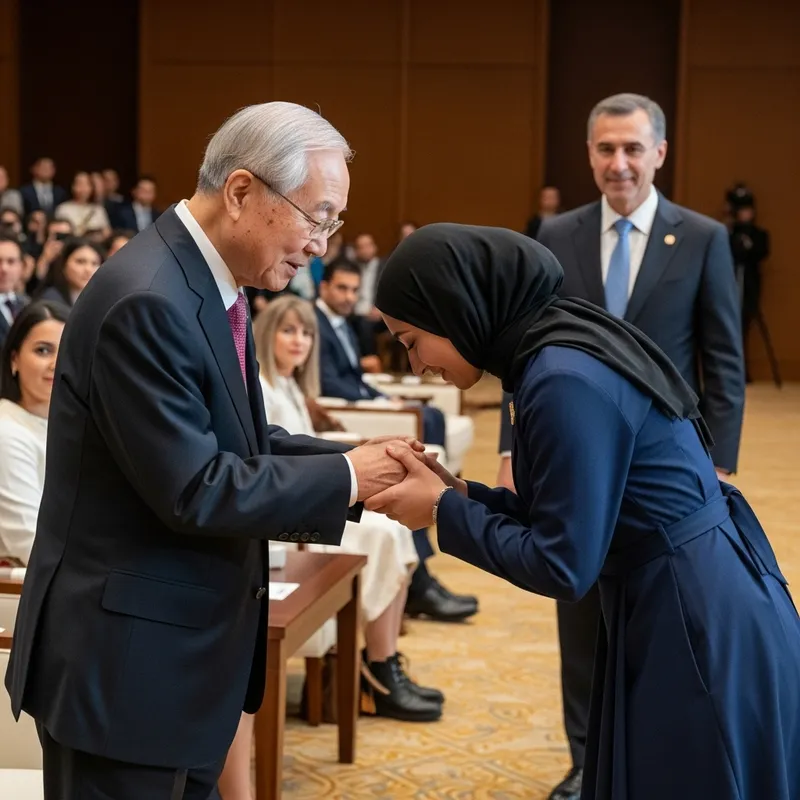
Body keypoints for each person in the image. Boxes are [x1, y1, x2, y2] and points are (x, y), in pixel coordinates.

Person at [5, 101, 421, 800]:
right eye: (316, 216)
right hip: (127, 676)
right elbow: (195, 487)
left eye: (333, 223)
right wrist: (350, 477)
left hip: (174, 669)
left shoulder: (199, 283)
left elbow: (241, 443)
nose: (322, 243)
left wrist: (355, 460)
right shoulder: (149, 298)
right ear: (240, 191)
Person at [367, 222, 800, 800]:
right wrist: (464, 495)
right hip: (688, 587)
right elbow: (570, 511)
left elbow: (564, 564)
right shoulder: (551, 350)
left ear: (455, 309)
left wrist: (445, 514)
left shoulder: (560, 377)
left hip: (693, 615)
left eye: (412, 339)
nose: (416, 363)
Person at [496, 93, 745, 799]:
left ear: (660, 153)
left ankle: (650, 758)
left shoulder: (701, 238)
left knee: (667, 612)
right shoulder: (555, 231)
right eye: (606, 149)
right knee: (576, 608)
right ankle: (586, 762)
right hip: (570, 458)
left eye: (633, 148)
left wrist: (719, 462)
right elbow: (525, 347)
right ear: (589, 154)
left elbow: (723, 361)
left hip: (668, 473)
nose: (619, 163)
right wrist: (514, 446)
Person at [316, 260, 479, 623]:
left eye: (354, 290)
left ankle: (435, 486)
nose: (348, 297)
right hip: (345, 411)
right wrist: (374, 404)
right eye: (341, 288)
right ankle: (421, 581)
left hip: (361, 399)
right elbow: (329, 383)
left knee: (430, 415)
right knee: (405, 451)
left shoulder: (348, 326)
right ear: (323, 287)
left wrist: (380, 396)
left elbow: (357, 376)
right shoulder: (314, 323)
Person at [0, 301, 68, 565]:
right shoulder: (7, 432)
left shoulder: (70, 427)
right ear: (14, 359)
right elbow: (30, 543)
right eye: (43, 350)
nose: (56, 363)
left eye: (67, 351)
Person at [33, 236, 105, 309]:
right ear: (63, 265)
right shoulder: (50, 301)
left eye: (94, 263)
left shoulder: (104, 300)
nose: (88, 269)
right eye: (80, 262)